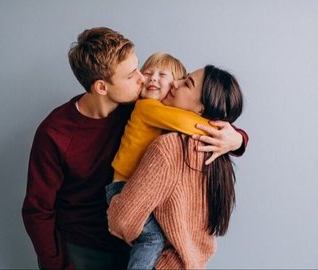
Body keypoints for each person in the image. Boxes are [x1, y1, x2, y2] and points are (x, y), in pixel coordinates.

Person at [22, 27, 248, 270]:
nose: (143, 78)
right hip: (81, 251)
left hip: (132, 246)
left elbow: (202, 108)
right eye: (131, 75)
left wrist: (237, 139)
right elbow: (38, 211)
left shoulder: (138, 108)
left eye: (138, 67)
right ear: (101, 87)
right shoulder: (55, 133)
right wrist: (58, 266)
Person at [107, 65, 245, 269]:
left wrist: (116, 206)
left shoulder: (169, 148)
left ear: (200, 110)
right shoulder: (219, 155)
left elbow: (122, 220)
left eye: (186, 83)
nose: (174, 82)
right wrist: (239, 139)